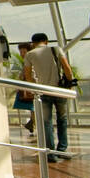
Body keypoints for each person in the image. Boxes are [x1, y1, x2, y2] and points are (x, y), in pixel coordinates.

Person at [22, 32, 73, 160]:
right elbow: (67, 67)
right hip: (59, 90)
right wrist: (70, 82)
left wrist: (34, 86)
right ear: (46, 41)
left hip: (43, 91)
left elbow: (27, 75)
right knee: (62, 119)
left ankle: (50, 153)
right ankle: (62, 149)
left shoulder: (30, 54)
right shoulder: (55, 49)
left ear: (33, 43)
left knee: (46, 122)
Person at [11, 41, 35, 135]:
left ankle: (32, 124)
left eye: (24, 52)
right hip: (28, 88)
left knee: (33, 108)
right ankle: (32, 124)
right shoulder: (25, 62)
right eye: (20, 52)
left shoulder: (30, 61)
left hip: (31, 88)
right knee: (32, 108)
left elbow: (31, 74)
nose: (22, 54)